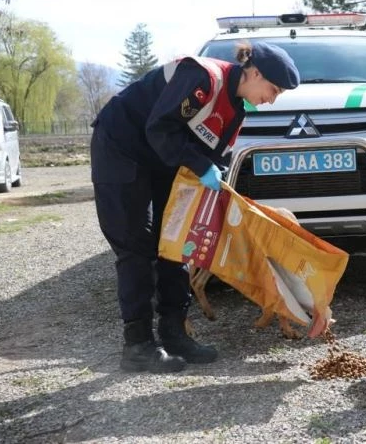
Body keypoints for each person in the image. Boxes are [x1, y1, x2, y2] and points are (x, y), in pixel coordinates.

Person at [91, 42, 300, 373]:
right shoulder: (202, 77)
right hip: (123, 147)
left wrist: (219, 185)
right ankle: (138, 345)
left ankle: (174, 334)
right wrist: (200, 165)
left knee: (176, 240)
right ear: (255, 72)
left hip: (163, 159)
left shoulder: (237, 111)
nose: (272, 99)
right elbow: (159, 127)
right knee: (136, 246)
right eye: (272, 90)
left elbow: (216, 156)